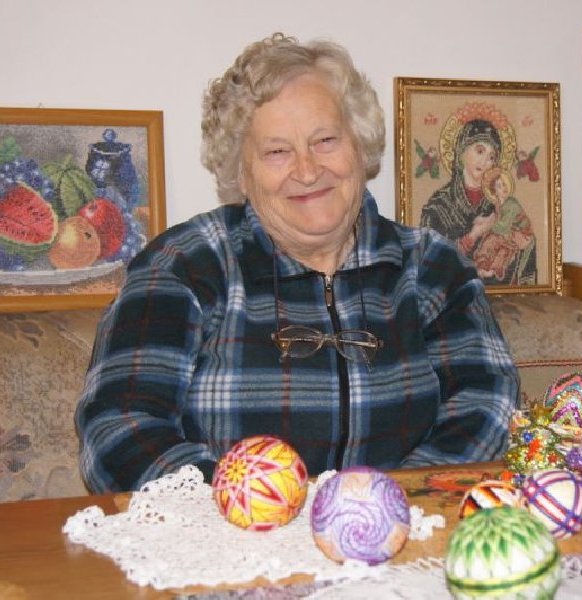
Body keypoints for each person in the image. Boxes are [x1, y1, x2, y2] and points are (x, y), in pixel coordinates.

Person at [75, 33, 519, 493]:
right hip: (232, 530)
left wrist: (391, 498)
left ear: (360, 146)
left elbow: (488, 403)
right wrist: (249, 500)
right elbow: (117, 431)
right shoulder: (183, 265)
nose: (307, 171)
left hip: (402, 526)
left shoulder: (432, 268)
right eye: (277, 151)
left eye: (325, 140)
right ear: (241, 170)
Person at [420, 116, 502, 259]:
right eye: (480, 151)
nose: (484, 161)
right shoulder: (439, 206)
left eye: (491, 157)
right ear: (462, 152)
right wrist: (473, 236)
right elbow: (428, 258)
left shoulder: (497, 204)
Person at [472, 167, 537, 285]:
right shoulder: (498, 203)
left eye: (504, 184)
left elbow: (503, 227)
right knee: (490, 239)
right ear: (494, 191)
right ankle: (483, 264)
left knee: (500, 244)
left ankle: (493, 269)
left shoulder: (512, 204)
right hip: (508, 232)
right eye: (499, 186)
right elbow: (495, 217)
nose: (504, 188)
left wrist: (486, 227)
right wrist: (483, 220)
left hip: (522, 234)